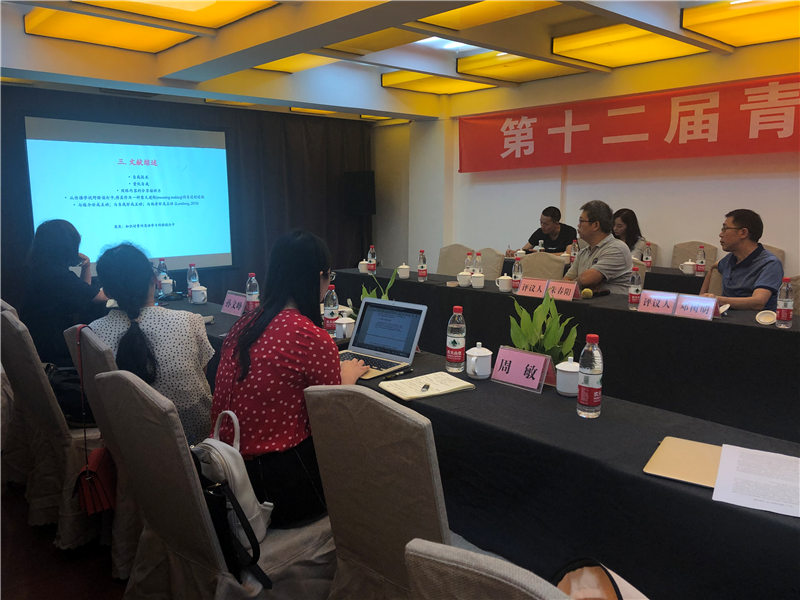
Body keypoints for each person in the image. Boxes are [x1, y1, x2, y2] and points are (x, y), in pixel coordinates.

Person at [212, 230, 369, 528]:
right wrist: (346, 378)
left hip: (225, 473)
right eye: (329, 276)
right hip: (276, 489)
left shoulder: (243, 326)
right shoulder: (311, 337)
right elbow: (330, 420)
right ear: (319, 277)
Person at [89, 243, 214, 442]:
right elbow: (202, 374)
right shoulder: (190, 321)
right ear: (154, 278)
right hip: (194, 438)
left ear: (108, 292)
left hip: (129, 441)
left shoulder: (93, 333)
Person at [20, 220, 107, 366]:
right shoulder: (57, 275)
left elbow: (85, 293)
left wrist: (86, 267)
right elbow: (99, 297)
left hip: (41, 341)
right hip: (55, 351)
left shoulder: (42, 269)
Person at [700, 209, 783, 311]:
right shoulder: (731, 258)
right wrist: (701, 298)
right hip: (726, 317)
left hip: (753, 319)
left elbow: (758, 302)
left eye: (725, 229)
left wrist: (717, 300)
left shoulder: (770, 264)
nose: (721, 234)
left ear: (743, 233)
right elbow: (714, 267)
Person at [564, 200, 632, 294]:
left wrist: (577, 283)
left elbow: (586, 279)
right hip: (586, 301)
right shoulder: (583, 252)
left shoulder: (617, 248)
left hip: (612, 302)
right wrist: (579, 283)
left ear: (596, 225)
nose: (578, 225)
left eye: (581, 221)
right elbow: (565, 282)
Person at [506, 206, 578, 256]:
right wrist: (514, 253)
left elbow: (569, 254)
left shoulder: (569, 231)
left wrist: (543, 255)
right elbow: (525, 249)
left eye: (546, 224)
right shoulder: (540, 232)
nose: (542, 226)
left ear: (556, 224)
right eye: (541, 222)